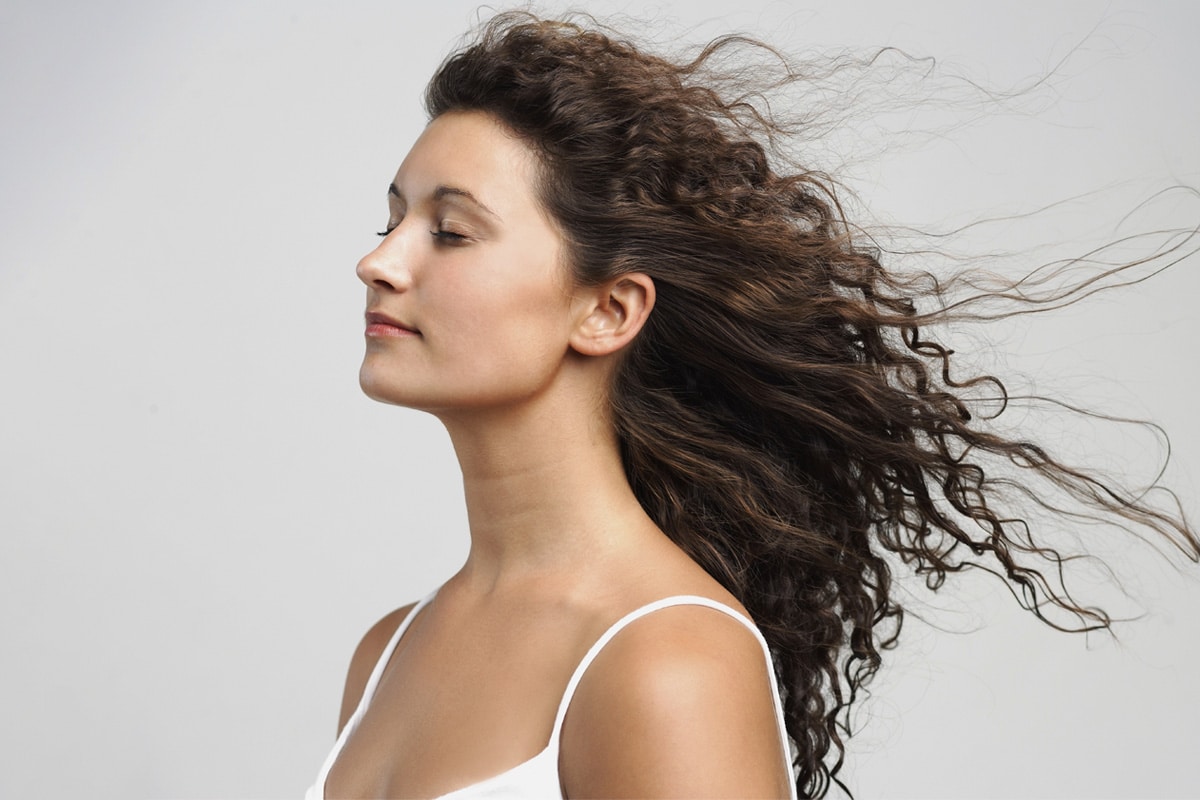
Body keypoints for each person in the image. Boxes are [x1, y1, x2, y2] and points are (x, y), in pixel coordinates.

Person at [307, 11, 1198, 799]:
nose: (378, 262)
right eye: (391, 221)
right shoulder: (389, 652)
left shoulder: (666, 662)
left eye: (450, 232)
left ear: (608, 310)